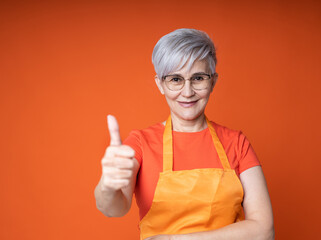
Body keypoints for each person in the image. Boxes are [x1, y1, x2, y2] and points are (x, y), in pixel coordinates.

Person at [94, 28, 274, 240]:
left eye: (198, 78)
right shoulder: (141, 143)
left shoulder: (237, 143)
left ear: (213, 81)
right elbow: (115, 208)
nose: (187, 92)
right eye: (176, 79)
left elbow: (263, 231)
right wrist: (107, 184)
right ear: (160, 84)